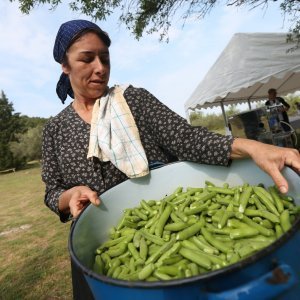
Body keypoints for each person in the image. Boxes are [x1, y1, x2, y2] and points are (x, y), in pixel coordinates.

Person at [42, 19, 300, 298]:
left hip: (164, 226)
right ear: (65, 65)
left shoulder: (133, 102)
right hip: (101, 251)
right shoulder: (55, 130)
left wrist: (252, 147)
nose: (100, 68)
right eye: (87, 59)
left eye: (105, 58)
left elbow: (188, 140)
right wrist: (68, 196)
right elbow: (52, 190)